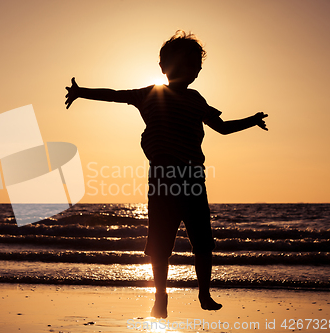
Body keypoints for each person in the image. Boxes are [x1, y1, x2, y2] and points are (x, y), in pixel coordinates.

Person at [65, 30, 268, 318]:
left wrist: (251, 120)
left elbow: (221, 127)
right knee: (159, 243)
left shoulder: (197, 99)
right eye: (189, 63)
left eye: (197, 64)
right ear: (165, 67)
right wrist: (81, 91)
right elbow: (113, 95)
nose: (196, 69)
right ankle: (160, 297)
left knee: (203, 241)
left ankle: (204, 293)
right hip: (162, 177)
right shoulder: (149, 94)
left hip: (193, 178)